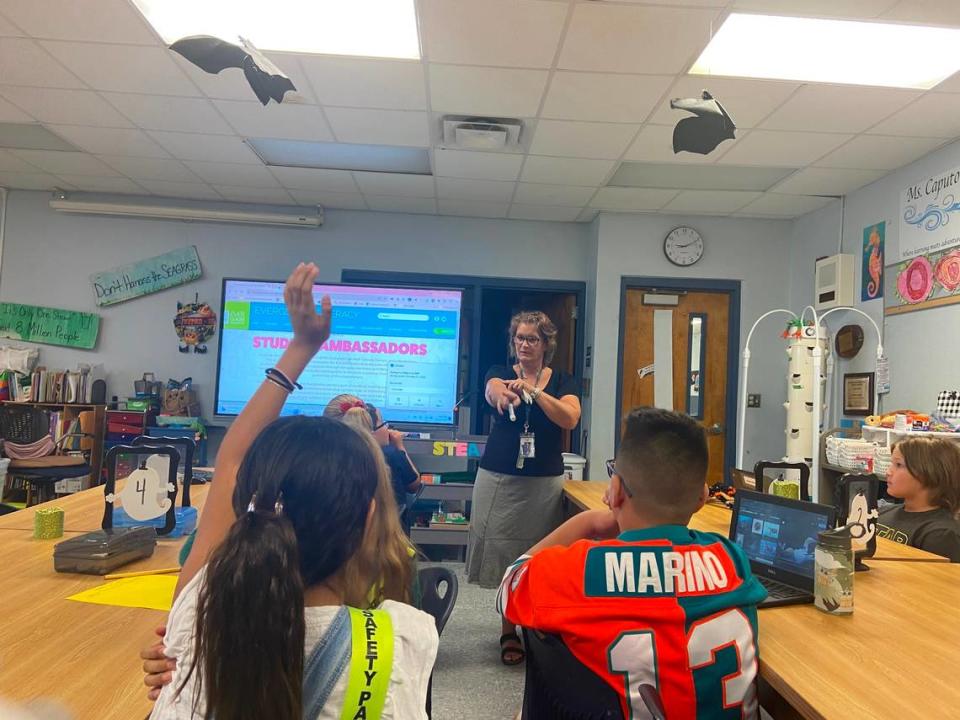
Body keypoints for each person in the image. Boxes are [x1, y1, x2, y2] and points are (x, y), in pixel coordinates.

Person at [144, 263, 438, 719]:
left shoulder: (197, 610)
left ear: (249, 507)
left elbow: (232, 460)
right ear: (367, 518)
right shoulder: (400, 643)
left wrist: (301, 346)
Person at [497, 407, 767, 718]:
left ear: (615, 491)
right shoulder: (733, 559)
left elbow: (509, 585)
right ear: (702, 497)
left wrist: (586, 523)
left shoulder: (578, 570)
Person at [467, 310, 581, 666]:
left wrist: (534, 392)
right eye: (519, 338)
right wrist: (505, 396)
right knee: (503, 554)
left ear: (546, 343)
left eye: (531, 338)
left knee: (539, 556)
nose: (523, 345)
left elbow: (569, 417)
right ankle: (508, 628)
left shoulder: (563, 381)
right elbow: (493, 391)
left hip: (544, 482)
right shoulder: (500, 373)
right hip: (499, 477)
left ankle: (538, 624)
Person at [324, 395, 421, 513]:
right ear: (371, 431)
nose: (387, 427)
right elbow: (414, 485)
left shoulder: (324, 459)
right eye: (383, 423)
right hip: (387, 528)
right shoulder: (390, 455)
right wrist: (400, 447)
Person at [878, 436, 960, 562]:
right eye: (892, 463)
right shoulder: (881, 513)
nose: (889, 471)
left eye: (898, 465)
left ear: (929, 472)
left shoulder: (940, 534)